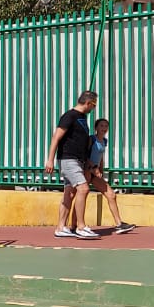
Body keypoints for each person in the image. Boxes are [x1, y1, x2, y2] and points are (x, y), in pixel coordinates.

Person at [44, 90, 100, 240]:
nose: (93, 108)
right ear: (88, 103)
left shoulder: (82, 118)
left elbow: (79, 142)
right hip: (68, 159)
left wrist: (88, 162)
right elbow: (56, 137)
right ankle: (81, 227)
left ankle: (60, 228)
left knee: (69, 193)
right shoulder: (70, 116)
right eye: (94, 105)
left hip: (78, 160)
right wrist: (50, 160)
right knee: (84, 188)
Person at [86, 119, 135, 234]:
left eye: (106, 126)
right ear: (96, 128)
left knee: (111, 195)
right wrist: (93, 168)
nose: (104, 128)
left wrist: (101, 169)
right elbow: (85, 155)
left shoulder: (104, 141)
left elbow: (100, 156)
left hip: (96, 173)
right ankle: (75, 225)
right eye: (101, 126)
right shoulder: (91, 139)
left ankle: (119, 224)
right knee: (81, 196)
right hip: (87, 170)